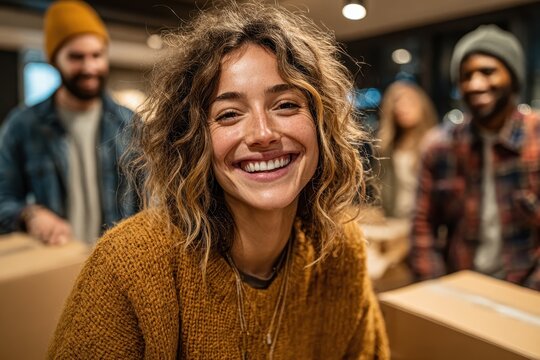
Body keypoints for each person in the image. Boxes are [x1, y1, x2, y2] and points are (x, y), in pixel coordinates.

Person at [48, 2, 390, 358]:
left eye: (286, 105)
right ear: (193, 141)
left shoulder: (341, 248)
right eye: (229, 114)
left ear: (322, 124)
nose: (262, 133)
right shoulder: (129, 266)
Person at [409, 24, 540, 290]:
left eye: (487, 72)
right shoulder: (440, 146)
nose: (475, 84)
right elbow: (423, 228)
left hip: (529, 288)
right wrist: (436, 290)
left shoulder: (536, 136)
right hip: (464, 287)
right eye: (466, 76)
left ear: (513, 77)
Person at [0, 0, 138, 245]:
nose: (89, 67)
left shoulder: (129, 123)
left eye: (97, 55)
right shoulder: (22, 126)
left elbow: (148, 202)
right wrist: (30, 215)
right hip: (58, 267)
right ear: (55, 60)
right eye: (76, 57)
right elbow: (4, 199)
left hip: (118, 266)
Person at [377, 81, 438, 219]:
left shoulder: (433, 144)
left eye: (409, 101)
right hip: (396, 221)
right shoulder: (387, 148)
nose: (402, 107)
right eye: (397, 103)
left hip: (425, 220)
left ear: (421, 105)